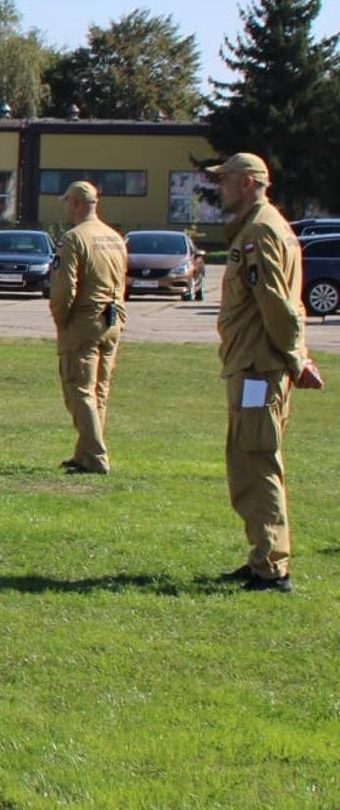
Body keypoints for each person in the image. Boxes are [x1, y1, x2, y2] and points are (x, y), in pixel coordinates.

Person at [208, 152, 323, 593]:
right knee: (249, 462)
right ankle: (261, 557)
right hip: (253, 363)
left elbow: (275, 304)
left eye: (228, 181)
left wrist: (296, 357)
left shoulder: (259, 232)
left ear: (250, 182)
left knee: (256, 464)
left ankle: (273, 568)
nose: (222, 189)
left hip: (259, 368)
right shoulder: (268, 227)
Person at [48, 180, 128, 475]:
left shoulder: (73, 239)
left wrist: (61, 319)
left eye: (68, 202)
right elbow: (122, 282)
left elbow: (64, 288)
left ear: (77, 203)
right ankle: (85, 452)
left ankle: (95, 456)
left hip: (84, 319)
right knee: (99, 390)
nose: (67, 209)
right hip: (112, 317)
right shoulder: (115, 237)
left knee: (79, 389)